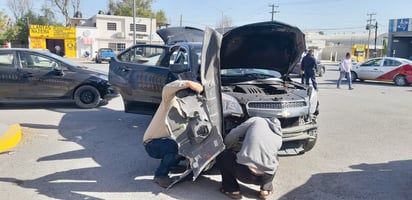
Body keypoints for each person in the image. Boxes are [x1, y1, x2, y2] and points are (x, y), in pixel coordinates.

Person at [143, 80, 203, 188]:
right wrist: (189, 84)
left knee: (188, 145)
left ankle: (173, 164)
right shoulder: (170, 100)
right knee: (175, 148)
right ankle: (160, 175)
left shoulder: (190, 109)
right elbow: (168, 87)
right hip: (152, 143)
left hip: (168, 141)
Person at [217, 117, 283, 199]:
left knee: (223, 154)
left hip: (244, 173)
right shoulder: (279, 137)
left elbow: (233, 135)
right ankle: (265, 189)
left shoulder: (257, 120)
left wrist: (226, 145)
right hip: (266, 177)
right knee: (275, 158)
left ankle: (232, 189)